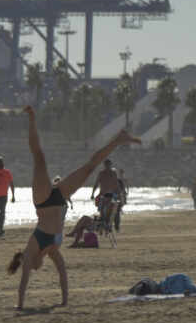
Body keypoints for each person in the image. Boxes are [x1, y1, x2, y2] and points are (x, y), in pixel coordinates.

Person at [9, 105, 140, 310]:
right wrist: (64, 301)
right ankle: (118, 140)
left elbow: (24, 279)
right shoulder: (52, 251)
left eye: (35, 266)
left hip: (43, 200)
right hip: (59, 197)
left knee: (39, 158)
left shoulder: (31, 250)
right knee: (89, 168)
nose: (36, 268)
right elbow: (62, 273)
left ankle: (32, 117)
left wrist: (20, 305)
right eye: (36, 267)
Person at [90, 159, 122, 232]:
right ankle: (102, 224)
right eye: (106, 165)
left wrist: (119, 193)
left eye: (108, 165)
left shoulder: (113, 173)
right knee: (101, 209)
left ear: (110, 165)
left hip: (112, 194)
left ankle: (116, 225)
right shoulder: (101, 173)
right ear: (104, 165)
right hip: (103, 194)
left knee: (116, 209)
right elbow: (96, 183)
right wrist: (92, 194)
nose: (107, 166)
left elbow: (116, 184)